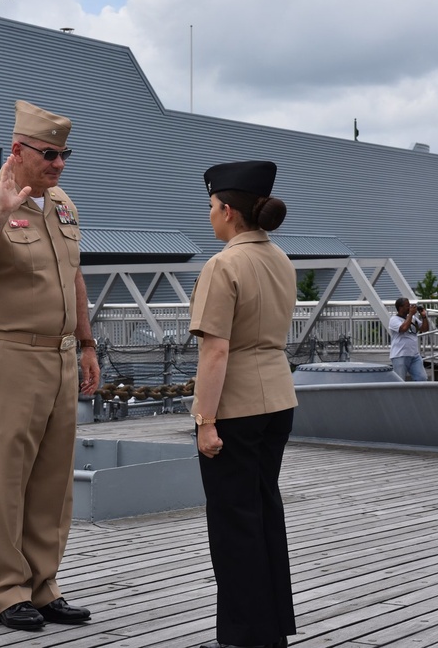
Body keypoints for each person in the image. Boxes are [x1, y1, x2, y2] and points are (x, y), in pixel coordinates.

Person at [0, 100, 99, 632]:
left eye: (64, 154)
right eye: (49, 154)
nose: (58, 164)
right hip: (8, 357)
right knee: (7, 481)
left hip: (58, 358)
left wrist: (87, 343)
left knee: (54, 482)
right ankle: (9, 591)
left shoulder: (62, 205)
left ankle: (44, 585)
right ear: (18, 151)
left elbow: (74, 277)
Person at [189, 160, 297, 648]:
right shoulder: (279, 259)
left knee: (234, 523)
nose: (209, 214)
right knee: (264, 511)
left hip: (236, 405)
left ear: (228, 211)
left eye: (211, 206)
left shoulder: (224, 265)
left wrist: (204, 421)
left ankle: (246, 632)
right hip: (277, 397)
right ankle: (272, 625)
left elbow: (215, 349)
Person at [388, 297, 429, 381]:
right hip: (400, 355)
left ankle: (416, 394)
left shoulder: (413, 319)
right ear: (400, 308)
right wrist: (410, 314)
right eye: (407, 306)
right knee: (399, 380)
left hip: (414, 355)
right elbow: (403, 328)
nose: (410, 307)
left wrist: (424, 316)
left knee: (422, 378)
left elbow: (424, 328)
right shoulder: (394, 319)